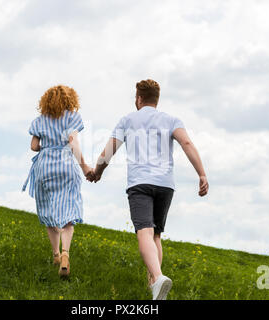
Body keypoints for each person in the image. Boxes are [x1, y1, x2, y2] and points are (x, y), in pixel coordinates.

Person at [88, 79, 209, 299]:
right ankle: (154, 285)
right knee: (156, 235)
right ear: (157, 99)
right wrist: (201, 174)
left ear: (139, 98)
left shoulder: (127, 120)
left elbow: (108, 152)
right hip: (165, 184)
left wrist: (98, 172)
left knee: (144, 231)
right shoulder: (172, 120)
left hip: (140, 183)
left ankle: (158, 277)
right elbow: (187, 144)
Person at [23, 85, 94, 278]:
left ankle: (55, 254)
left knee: (49, 210)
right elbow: (73, 141)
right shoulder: (72, 117)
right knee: (68, 211)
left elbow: (34, 146)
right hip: (66, 165)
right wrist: (85, 167)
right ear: (70, 100)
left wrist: (47, 147)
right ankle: (65, 253)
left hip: (45, 167)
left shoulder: (39, 121)